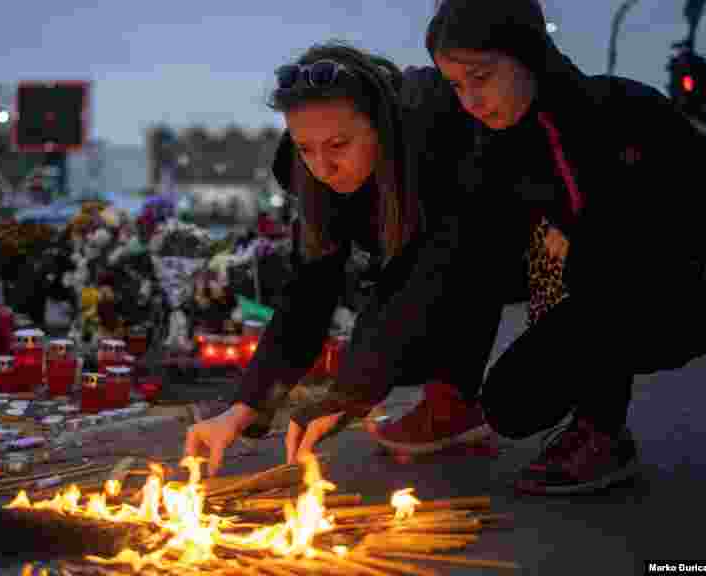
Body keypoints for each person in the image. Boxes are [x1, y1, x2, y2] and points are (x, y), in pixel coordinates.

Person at [390, 0, 706, 494]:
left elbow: (644, 247)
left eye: (481, 77)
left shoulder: (606, 116)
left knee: (591, 274)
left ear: (529, 54)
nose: (469, 100)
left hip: (684, 286)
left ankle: (602, 434)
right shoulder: (501, 137)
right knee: (510, 402)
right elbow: (473, 254)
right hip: (601, 276)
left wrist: (568, 268)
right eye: (456, 85)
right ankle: (459, 400)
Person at [185, 41, 505, 476]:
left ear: (381, 126)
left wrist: (349, 395)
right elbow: (308, 296)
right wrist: (244, 408)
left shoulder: (435, 138)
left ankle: (590, 424)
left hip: (534, 235)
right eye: (305, 148)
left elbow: (427, 275)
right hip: (447, 259)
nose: (322, 167)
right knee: (392, 339)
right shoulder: (315, 174)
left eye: (338, 144)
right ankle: (452, 408)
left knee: (519, 397)